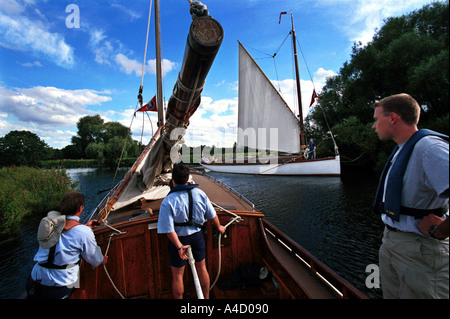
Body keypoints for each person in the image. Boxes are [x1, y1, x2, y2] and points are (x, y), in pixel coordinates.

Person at [372, 93, 449, 299]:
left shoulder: (429, 148)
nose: (374, 126)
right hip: (393, 243)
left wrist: (441, 230)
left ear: (393, 118)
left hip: (420, 251)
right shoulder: (402, 149)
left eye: (376, 119)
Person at [157, 163, 225, 299]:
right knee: (202, 269)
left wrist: (179, 247)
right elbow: (213, 216)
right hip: (197, 237)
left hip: (179, 240)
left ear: (173, 180)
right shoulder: (200, 194)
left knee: (177, 276)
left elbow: (169, 230)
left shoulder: (168, 201)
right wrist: (219, 227)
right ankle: (205, 298)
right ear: (188, 178)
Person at [27, 192, 106, 299]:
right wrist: (103, 259)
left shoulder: (51, 223)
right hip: (60, 285)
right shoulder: (84, 232)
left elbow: (63, 233)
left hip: (35, 279)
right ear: (80, 209)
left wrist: (84, 226)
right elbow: (95, 260)